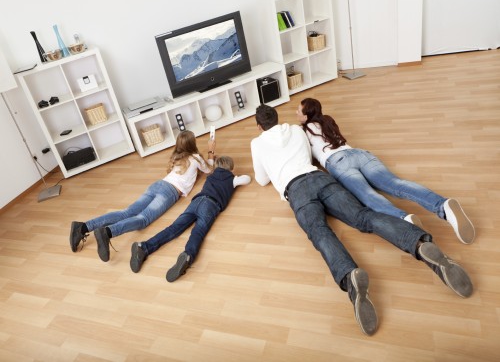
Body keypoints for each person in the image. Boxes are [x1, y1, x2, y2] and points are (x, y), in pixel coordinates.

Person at [250, 104, 473, 336]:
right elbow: (308, 155)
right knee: (363, 217)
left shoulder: (257, 143)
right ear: (276, 118)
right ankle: (419, 243)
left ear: (259, 126)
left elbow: (262, 179)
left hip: (296, 190)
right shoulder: (297, 131)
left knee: (321, 233)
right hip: (319, 177)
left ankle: (350, 277)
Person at [296, 97, 475, 244]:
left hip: (338, 163)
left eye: (298, 110)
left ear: (306, 116)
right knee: (395, 184)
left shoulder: (302, 131)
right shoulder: (328, 121)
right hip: (358, 153)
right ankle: (442, 204)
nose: (296, 113)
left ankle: (404, 219)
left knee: (368, 196)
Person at [69, 130, 216, 262]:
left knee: (126, 212)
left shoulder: (177, 157)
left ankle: (83, 227)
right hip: (169, 192)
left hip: (157, 185)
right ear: (193, 144)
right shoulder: (197, 158)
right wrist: (210, 151)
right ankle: (107, 232)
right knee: (143, 219)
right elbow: (210, 170)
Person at [129, 155, 251, 282]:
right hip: (211, 205)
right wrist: (235, 177)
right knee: (198, 232)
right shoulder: (231, 179)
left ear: (216, 168)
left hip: (196, 201)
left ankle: (143, 247)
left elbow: (209, 165)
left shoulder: (211, 176)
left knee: (173, 228)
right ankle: (187, 255)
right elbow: (247, 179)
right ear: (231, 169)